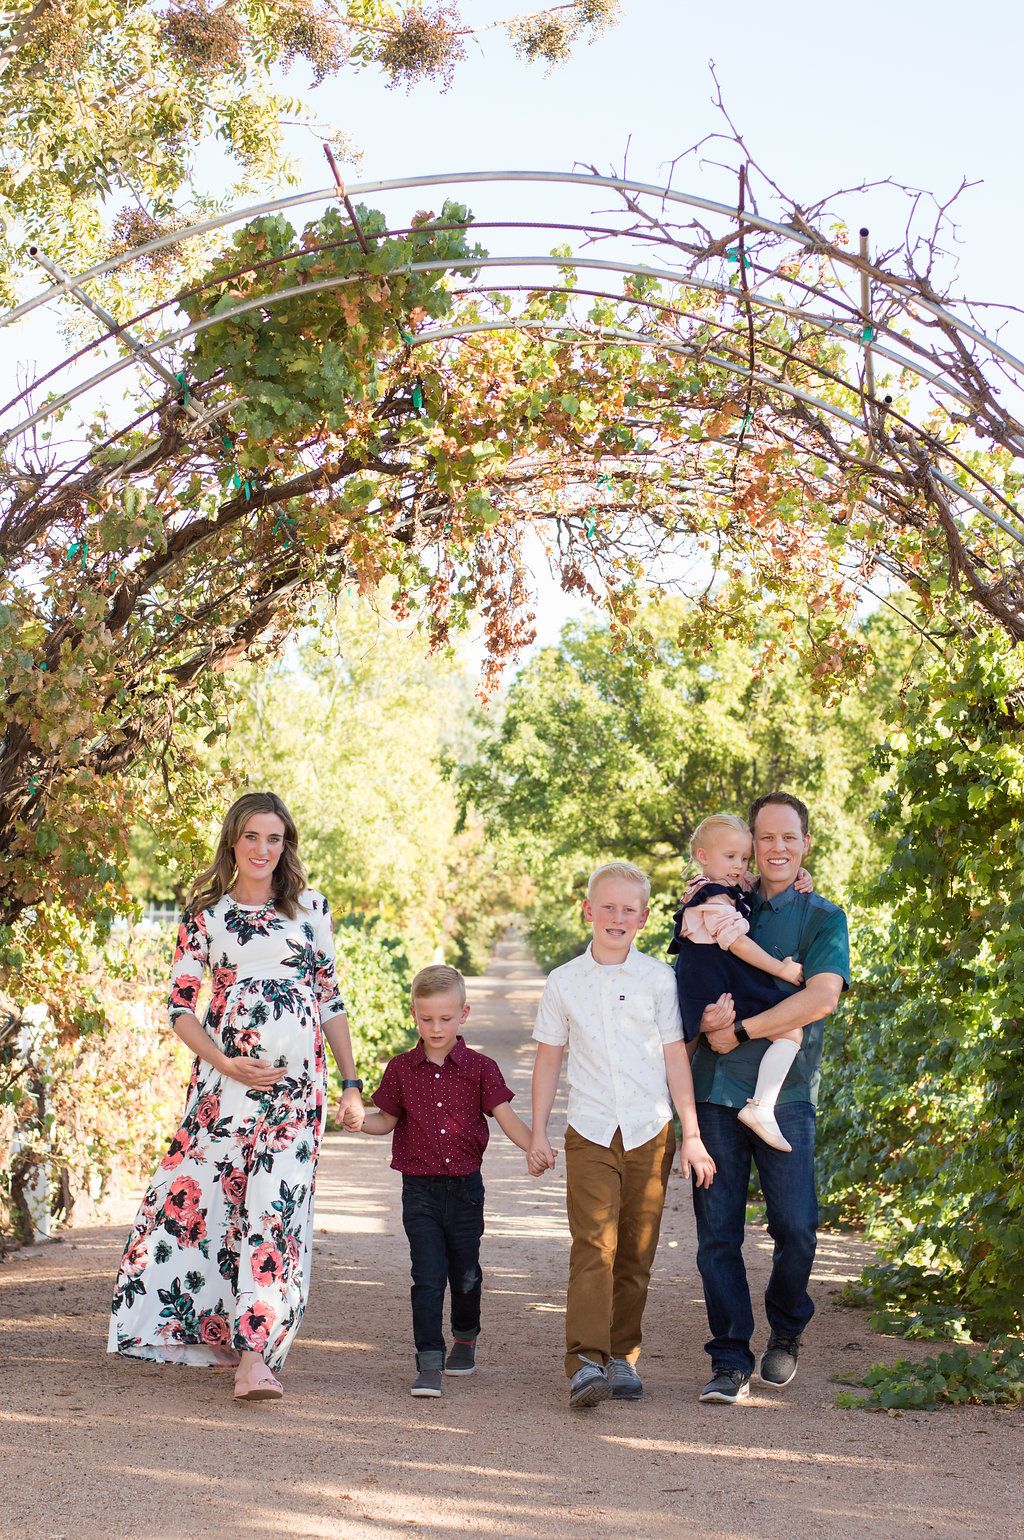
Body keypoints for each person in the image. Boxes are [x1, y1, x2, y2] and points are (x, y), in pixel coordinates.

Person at [108, 791, 365, 1402]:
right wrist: (225, 1063)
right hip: (222, 1093)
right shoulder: (206, 915)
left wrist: (352, 1084)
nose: (263, 850)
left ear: (286, 846)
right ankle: (216, 1332)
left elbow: (329, 1000)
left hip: (299, 1097)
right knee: (210, 1204)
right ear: (233, 841)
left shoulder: (312, 911)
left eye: (274, 839)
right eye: (252, 837)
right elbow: (179, 1007)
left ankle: (256, 1357)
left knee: (276, 1214)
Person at [529, 861, 716, 1409]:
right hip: (589, 1129)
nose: (617, 917)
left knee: (636, 1249)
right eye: (606, 907)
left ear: (645, 917)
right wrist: (538, 1133)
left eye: (628, 909)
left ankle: (624, 1356)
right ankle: (586, 1360)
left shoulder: (659, 979)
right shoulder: (563, 983)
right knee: (595, 1244)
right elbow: (546, 1062)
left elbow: (675, 1057)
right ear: (587, 911)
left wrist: (691, 1134)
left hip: (649, 1129)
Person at [689, 792, 849, 1406]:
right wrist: (708, 1024)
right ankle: (729, 1358)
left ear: (805, 843)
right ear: (751, 845)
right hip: (714, 1092)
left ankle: (787, 1327)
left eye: (790, 837)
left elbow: (821, 996)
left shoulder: (821, 916)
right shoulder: (724, 897)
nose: (778, 847)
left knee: (797, 1225)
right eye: (766, 837)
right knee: (717, 1235)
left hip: (785, 1095)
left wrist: (744, 1030)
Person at [350, 963, 533, 1398]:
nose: (436, 1027)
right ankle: (428, 1360)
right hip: (420, 1191)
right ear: (414, 1014)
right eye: (426, 1018)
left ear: (463, 1014)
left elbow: (505, 1117)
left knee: (465, 1273)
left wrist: (534, 1146)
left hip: (466, 1190)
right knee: (427, 1275)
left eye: (446, 1018)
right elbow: (387, 1120)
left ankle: (465, 1336)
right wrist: (358, 1121)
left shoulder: (480, 1068)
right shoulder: (400, 1069)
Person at [669, 812, 806, 1152]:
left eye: (744, 858)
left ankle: (666, 1109)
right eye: (730, 857)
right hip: (713, 983)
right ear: (703, 857)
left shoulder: (725, 885)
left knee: (680, 1050)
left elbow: (760, 882)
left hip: (710, 981)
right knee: (790, 1029)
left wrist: (799, 873)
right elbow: (737, 942)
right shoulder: (714, 898)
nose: (739, 866)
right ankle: (761, 1107)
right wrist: (781, 969)